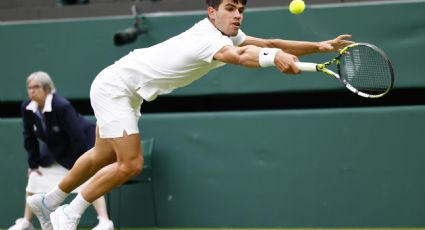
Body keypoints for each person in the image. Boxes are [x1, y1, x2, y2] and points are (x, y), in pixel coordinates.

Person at [27, 0, 354, 229]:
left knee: (100, 154)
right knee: (131, 163)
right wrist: (274, 58)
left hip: (125, 85)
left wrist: (317, 46)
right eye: (229, 8)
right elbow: (242, 55)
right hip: (115, 86)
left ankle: (49, 201)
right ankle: (69, 213)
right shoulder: (208, 39)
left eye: (241, 9)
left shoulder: (225, 33)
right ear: (212, 12)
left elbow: (264, 41)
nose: (237, 14)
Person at [14, 71, 114, 230]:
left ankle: (105, 221)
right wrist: (33, 165)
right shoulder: (26, 107)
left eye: (36, 87)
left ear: (46, 89)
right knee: (34, 177)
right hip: (55, 152)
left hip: (80, 148)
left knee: (89, 178)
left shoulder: (62, 105)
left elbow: (77, 137)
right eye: (29, 87)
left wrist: (80, 165)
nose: (31, 91)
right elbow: (29, 137)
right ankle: (27, 222)